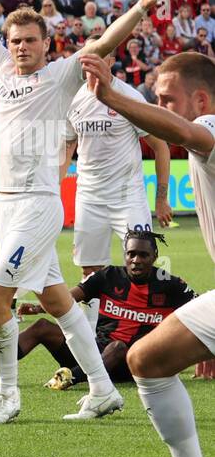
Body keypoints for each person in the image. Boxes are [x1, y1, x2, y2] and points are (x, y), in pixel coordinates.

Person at [0, 0, 179, 423]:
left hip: (37, 204)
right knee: (57, 300)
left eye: (31, 40)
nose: (22, 47)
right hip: (6, 204)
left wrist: (140, 7)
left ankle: (7, 395)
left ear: (47, 44)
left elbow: (104, 39)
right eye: (16, 40)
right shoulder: (2, 69)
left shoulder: (60, 76)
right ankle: (101, 389)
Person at [78, 51, 215, 457]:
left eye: (165, 98)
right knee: (147, 359)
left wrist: (113, 96)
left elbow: (184, 132)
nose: (158, 105)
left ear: (200, 99)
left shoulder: (210, 126)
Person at [0, 230, 193, 391]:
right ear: (125, 254)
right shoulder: (109, 276)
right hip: (93, 353)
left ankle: (72, 378)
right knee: (42, 329)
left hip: (134, 362)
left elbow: (203, 312)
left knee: (119, 346)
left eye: (143, 255)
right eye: (131, 254)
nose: (136, 260)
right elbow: (68, 298)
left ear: (155, 257)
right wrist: (40, 307)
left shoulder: (171, 285)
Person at [63, 72, 174, 299]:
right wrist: (53, 187)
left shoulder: (129, 97)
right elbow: (67, 147)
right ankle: (93, 331)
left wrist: (161, 198)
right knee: (90, 269)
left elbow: (160, 146)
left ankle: (147, 324)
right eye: (87, 57)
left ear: (111, 61)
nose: (91, 63)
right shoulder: (73, 98)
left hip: (127, 198)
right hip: (89, 197)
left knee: (143, 263)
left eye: (100, 56)